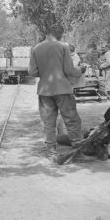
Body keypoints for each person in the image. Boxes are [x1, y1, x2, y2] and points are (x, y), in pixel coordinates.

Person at [28, 26, 86, 161]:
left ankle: (51, 152)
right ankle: (77, 151)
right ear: (59, 34)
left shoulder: (36, 48)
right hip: (62, 89)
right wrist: (81, 70)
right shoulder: (63, 46)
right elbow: (70, 70)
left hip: (45, 91)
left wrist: (45, 71)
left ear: (46, 33)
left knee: (48, 122)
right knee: (71, 119)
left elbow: (32, 72)